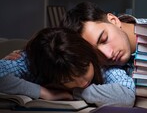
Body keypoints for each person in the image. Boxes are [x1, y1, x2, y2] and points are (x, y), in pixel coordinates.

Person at [0, 27, 135, 107]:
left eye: (84, 70)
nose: (82, 82)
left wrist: (75, 92)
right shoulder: (31, 62)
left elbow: (126, 96)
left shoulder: (101, 61)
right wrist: (46, 93)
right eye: (67, 80)